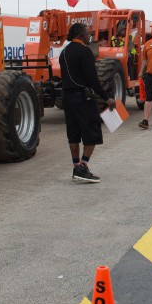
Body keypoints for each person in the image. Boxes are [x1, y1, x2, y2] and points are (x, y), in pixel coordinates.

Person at [59, 22, 116, 183]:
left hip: (67, 99)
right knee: (92, 132)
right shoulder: (85, 52)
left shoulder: (64, 52)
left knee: (73, 134)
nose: (89, 35)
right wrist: (106, 97)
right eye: (86, 32)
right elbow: (93, 79)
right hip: (83, 98)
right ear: (79, 35)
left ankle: (76, 166)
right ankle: (83, 166)